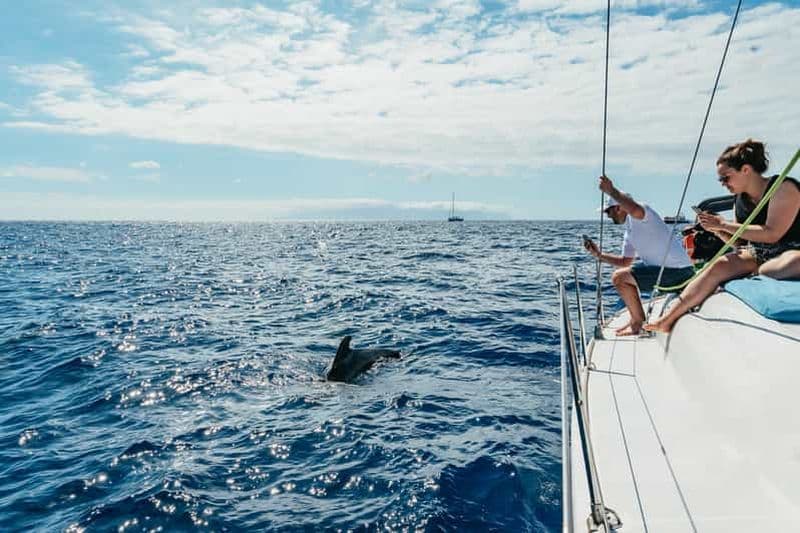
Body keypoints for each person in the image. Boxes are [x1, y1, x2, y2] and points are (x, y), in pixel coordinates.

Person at [646, 139, 800, 333]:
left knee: (792, 261)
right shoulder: (740, 200)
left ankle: (758, 273)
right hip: (757, 255)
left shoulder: (783, 188)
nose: (723, 184)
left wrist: (724, 224)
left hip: (792, 250)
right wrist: (718, 230)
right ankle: (667, 320)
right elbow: (740, 244)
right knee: (719, 265)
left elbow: (772, 234)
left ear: (746, 170)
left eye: (726, 178)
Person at [583, 176, 694, 336]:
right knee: (622, 275)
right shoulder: (629, 231)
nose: (607, 216)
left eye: (608, 211)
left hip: (679, 273)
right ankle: (637, 320)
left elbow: (633, 208)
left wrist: (611, 191)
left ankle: (637, 323)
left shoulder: (642, 213)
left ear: (619, 208)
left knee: (619, 278)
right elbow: (625, 261)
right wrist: (599, 255)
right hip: (669, 274)